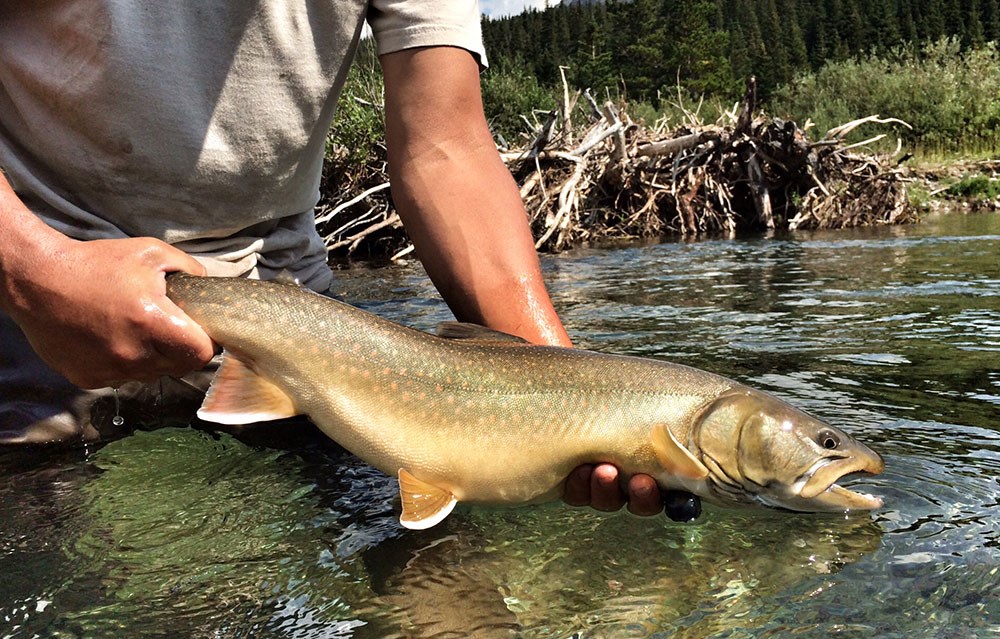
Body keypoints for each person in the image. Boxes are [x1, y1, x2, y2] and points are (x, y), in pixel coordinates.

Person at [0, 1, 699, 520]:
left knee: (457, 602)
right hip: (29, 312)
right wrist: (33, 273)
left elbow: (444, 147)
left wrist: (573, 400)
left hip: (301, 343)